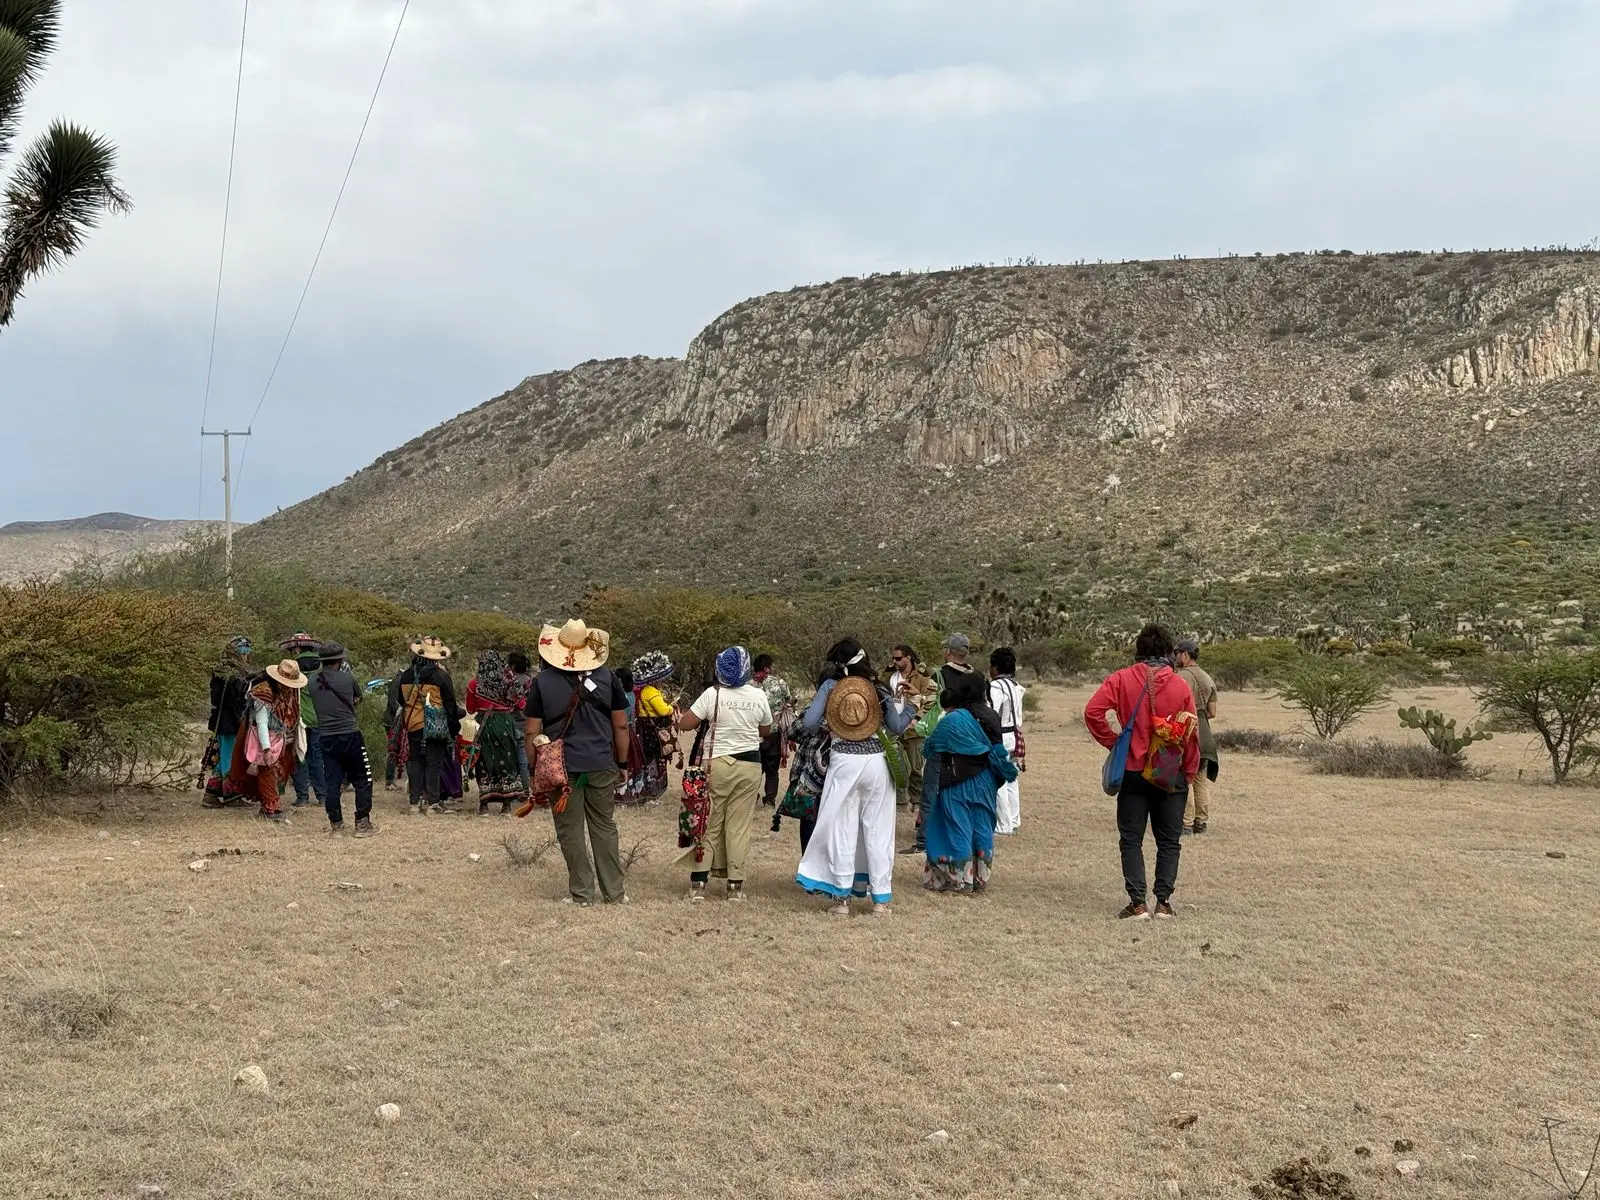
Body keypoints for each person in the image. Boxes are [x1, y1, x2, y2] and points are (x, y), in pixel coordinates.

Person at [1084, 623, 1199, 921]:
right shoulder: (1180, 685)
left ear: (1138, 650)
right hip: (1170, 771)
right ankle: (1163, 904)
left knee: (1131, 839)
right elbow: (1191, 733)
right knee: (1169, 841)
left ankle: (1137, 904)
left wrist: (1114, 741)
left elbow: (1093, 712)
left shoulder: (1121, 678)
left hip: (1133, 769)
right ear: (1167, 652)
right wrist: (1189, 772)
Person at [795, 638, 915, 917]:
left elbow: (811, 724)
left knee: (842, 829)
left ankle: (842, 900)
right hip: (876, 764)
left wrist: (832, 720)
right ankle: (881, 901)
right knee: (878, 830)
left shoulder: (830, 686)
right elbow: (896, 726)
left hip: (843, 763)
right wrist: (910, 706)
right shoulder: (878, 688)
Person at [524, 618, 631, 907]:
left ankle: (582, 893)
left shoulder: (542, 683)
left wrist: (534, 770)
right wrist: (622, 763)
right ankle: (614, 892)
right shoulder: (609, 678)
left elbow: (532, 731)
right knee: (604, 826)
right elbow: (621, 726)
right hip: (600, 764)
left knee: (570, 830)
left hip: (562, 769)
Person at [676, 646, 773, 902]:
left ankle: (698, 884)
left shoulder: (713, 694)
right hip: (750, 764)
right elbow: (766, 730)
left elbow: (686, 723)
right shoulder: (758, 695)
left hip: (716, 764)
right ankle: (735, 887)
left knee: (710, 821)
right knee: (739, 826)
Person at [923, 671, 1018, 894]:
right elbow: (997, 748)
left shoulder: (955, 718)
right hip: (986, 781)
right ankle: (981, 878)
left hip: (959, 780)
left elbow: (930, 747)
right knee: (982, 827)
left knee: (958, 826)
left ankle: (960, 880)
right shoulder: (991, 715)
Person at [226, 658, 309, 823]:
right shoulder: (263, 693)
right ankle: (270, 808)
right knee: (267, 772)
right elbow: (262, 723)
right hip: (265, 739)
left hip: (282, 738)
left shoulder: (289, 692)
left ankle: (269, 805)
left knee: (277, 773)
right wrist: (266, 748)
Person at [386, 636, 460, 815]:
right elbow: (450, 704)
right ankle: (433, 803)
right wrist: (453, 727)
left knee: (415, 762)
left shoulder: (406, 675)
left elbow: (402, 701)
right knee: (434, 763)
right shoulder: (442, 676)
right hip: (437, 725)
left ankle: (414, 802)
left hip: (413, 724)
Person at [310, 642, 377, 837]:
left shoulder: (312, 681)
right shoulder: (347, 678)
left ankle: (336, 826)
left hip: (325, 736)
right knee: (363, 778)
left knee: (332, 781)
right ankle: (362, 823)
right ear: (340, 660)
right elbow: (358, 698)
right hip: (350, 733)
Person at [466, 649, 528, 815]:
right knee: (507, 762)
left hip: (483, 725)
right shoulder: (509, 682)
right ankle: (506, 805)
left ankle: (484, 805)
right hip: (505, 724)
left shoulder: (474, 684)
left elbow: (470, 708)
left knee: (483, 763)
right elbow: (520, 704)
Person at [887, 643, 936, 854]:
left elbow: (931, 701)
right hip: (893, 727)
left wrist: (917, 719)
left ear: (909, 658)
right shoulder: (888, 676)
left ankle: (917, 807)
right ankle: (899, 802)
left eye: (899, 658)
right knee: (894, 765)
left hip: (914, 730)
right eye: (894, 659)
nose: (896, 662)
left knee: (916, 769)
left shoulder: (924, 678)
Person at [202, 636, 257, 808]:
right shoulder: (231, 673)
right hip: (229, 722)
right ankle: (231, 795)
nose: (247, 655)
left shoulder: (224, 671)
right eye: (245, 651)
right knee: (230, 758)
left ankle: (210, 795)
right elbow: (236, 699)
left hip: (222, 721)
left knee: (222, 758)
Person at [619, 651, 677, 806]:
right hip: (651, 732)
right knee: (652, 760)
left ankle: (646, 789)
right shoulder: (651, 692)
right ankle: (651, 790)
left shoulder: (643, 691)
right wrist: (672, 707)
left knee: (646, 760)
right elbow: (663, 711)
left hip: (644, 729)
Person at [1174, 638, 1218, 835]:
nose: (1175, 657)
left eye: (1177, 653)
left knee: (1185, 777)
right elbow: (1212, 712)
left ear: (1185, 654)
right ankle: (1201, 822)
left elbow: (1175, 705)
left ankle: (1186, 823)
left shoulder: (1180, 677)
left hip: (1188, 730)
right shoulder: (1208, 678)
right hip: (1205, 732)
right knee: (1200, 779)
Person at [282, 633, 328, 811]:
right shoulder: (323, 668)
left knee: (298, 757)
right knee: (317, 758)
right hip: (319, 719)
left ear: (297, 648)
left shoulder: (292, 668)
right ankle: (322, 795)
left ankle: (302, 796)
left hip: (298, 719)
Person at [988, 647, 1027, 836]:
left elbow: (992, 713)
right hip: (1014, 735)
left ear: (995, 667)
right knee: (1011, 778)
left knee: (998, 779)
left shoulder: (996, 687)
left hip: (1000, 735)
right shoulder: (1015, 686)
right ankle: (1014, 819)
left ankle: (1003, 825)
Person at [754, 653, 793, 807]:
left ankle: (751, 796)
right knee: (772, 769)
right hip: (773, 732)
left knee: (753, 767)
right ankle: (770, 799)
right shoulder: (780, 683)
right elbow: (789, 700)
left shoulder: (748, 685)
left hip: (752, 733)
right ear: (766, 668)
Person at [507, 650, 535, 789]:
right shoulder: (530, 682)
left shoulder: (507, 682)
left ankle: (512, 788)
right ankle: (525, 789)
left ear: (512, 666)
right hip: (526, 723)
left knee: (509, 758)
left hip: (509, 722)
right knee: (524, 759)